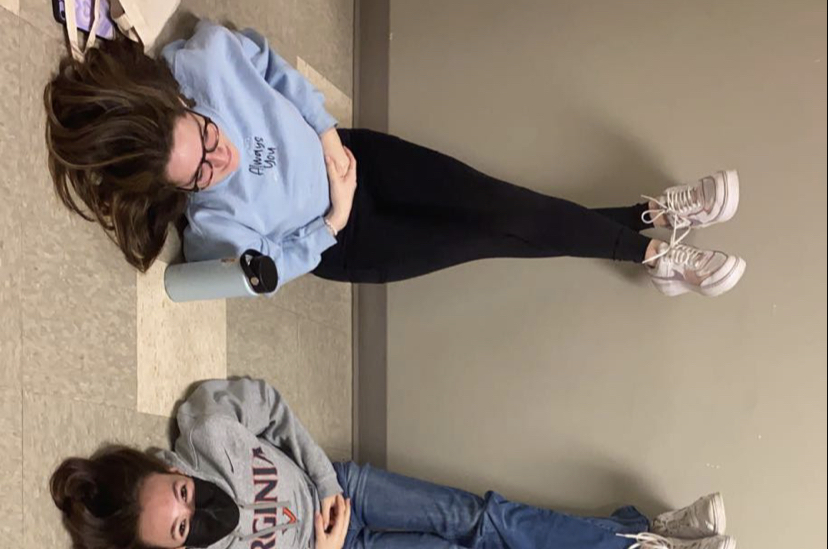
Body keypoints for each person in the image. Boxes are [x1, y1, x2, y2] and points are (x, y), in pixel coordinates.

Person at [45, 20, 745, 298]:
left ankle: (644, 223)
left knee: (504, 204)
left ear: (181, 103)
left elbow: (272, 67)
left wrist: (325, 137)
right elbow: (263, 274)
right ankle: (651, 250)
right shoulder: (216, 227)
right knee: (495, 233)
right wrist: (332, 220)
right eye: (198, 174)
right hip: (354, 240)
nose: (218, 159)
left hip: (358, 154)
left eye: (205, 137)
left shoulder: (203, 62)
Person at [50, 377, 736, 549]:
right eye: (178, 529)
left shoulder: (205, 429)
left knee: (483, 519)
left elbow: (271, 406)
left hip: (344, 489)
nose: (195, 511)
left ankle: (640, 546)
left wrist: (324, 488)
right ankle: (640, 543)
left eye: (183, 493)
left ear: (168, 469)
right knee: (481, 548)